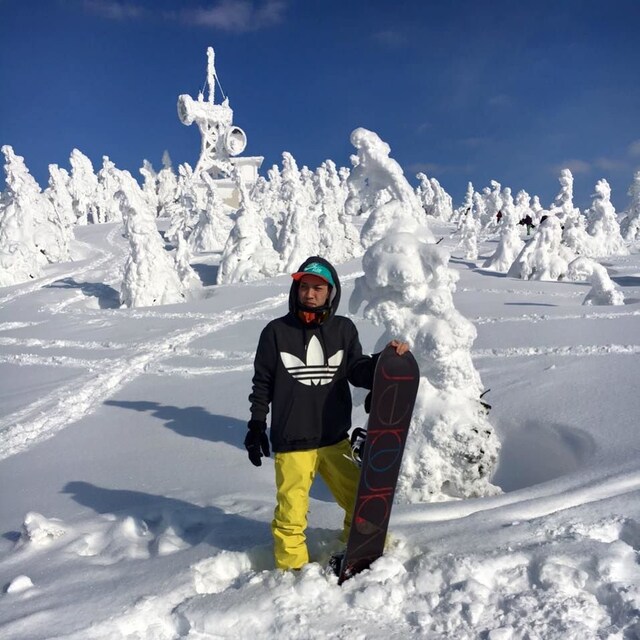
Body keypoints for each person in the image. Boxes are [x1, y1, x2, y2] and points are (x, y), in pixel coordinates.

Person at [245, 256, 409, 570]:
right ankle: (292, 573)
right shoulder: (276, 332)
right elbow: (262, 383)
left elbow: (356, 370)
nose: (310, 293)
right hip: (293, 441)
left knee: (362, 502)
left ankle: (353, 548)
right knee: (291, 514)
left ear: (331, 292)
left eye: (318, 288)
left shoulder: (343, 330)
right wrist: (256, 425)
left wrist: (383, 363)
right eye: (304, 286)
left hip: (334, 438)